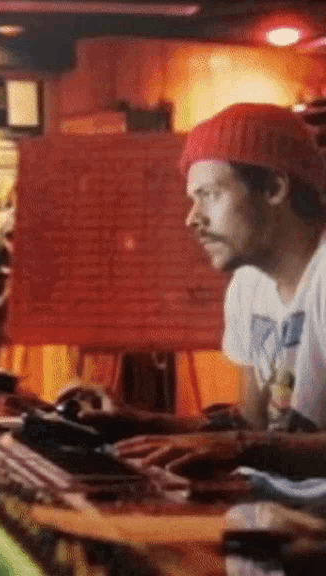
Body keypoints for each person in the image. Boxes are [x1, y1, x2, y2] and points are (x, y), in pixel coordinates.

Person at [110, 103, 326, 474]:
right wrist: (138, 423)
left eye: (209, 195)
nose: (192, 219)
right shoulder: (247, 284)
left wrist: (237, 447)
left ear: (274, 188)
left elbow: (243, 443)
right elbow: (252, 425)